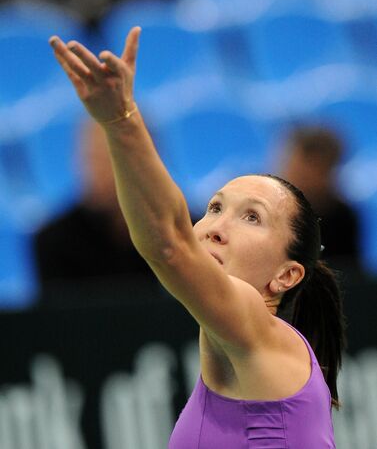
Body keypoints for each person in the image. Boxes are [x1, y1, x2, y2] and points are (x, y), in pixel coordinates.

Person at [49, 27, 346, 448]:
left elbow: (168, 245)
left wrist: (120, 122)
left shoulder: (260, 326)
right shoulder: (226, 357)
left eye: (252, 218)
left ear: (287, 275)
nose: (217, 228)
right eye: (214, 208)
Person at [34, 119, 158, 295]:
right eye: (90, 158)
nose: (96, 171)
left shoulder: (188, 233)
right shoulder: (53, 241)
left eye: (108, 159)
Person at [279, 125, 361, 271]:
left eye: (312, 171)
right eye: (295, 167)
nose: (303, 177)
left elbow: (347, 276)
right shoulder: (266, 209)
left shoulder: (343, 218)